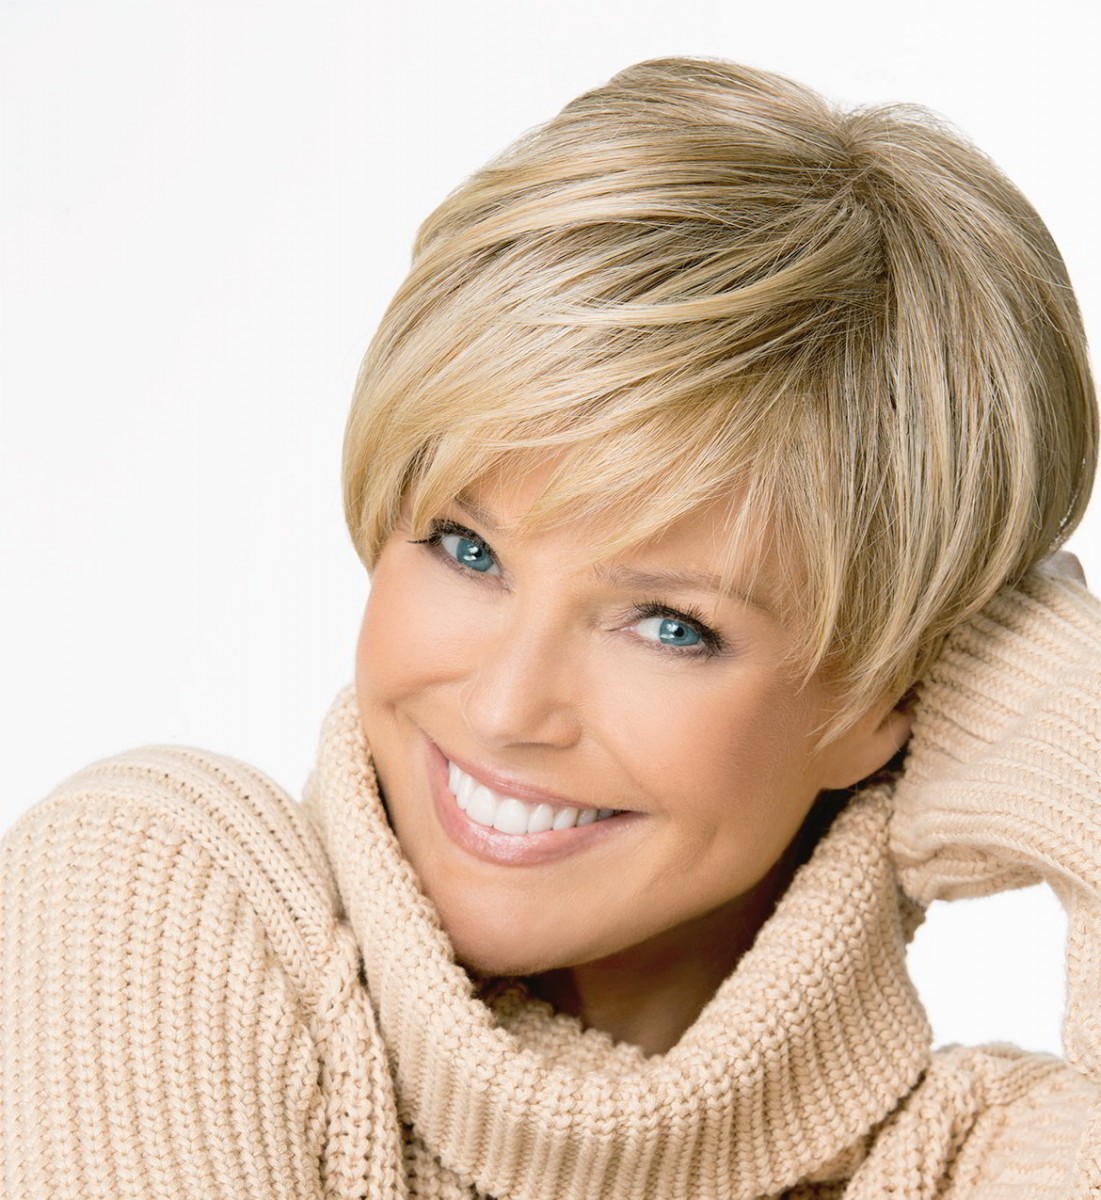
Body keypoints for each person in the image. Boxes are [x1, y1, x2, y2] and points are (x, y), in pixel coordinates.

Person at [2, 55, 1098, 1199]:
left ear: (898, 692)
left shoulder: (985, 1168)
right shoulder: (154, 907)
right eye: (466, 549)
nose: (504, 706)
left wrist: (1075, 718)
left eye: (668, 625)